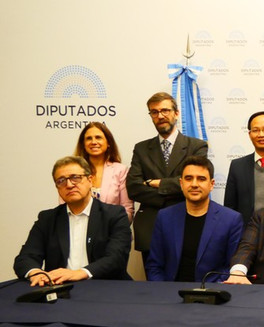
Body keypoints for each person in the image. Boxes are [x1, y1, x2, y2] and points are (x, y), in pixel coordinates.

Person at [14, 156, 131, 286]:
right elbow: (25, 258)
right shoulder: (47, 219)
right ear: (57, 187)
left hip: (105, 287)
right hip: (61, 288)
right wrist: (37, 273)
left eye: (76, 177)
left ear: (90, 180)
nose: (69, 185)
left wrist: (81, 273)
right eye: (61, 180)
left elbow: (116, 259)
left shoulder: (114, 214)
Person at [127, 92, 208, 264]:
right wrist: (175, 189)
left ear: (176, 113)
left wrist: (158, 183)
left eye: (165, 110)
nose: (160, 116)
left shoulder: (197, 146)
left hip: (186, 223)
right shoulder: (141, 149)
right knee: (154, 285)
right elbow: (133, 188)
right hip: (150, 229)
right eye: (154, 112)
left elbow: (196, 184)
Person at [145, 156, 243, 283]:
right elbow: (154, 265)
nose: (194, 184)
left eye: (201, 179)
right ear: (181, 184)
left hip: (212, 295)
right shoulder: (164, 217)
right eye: (188, 179)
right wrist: (163, 293)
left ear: (212, 184)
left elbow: (230, 268)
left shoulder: (231, 220)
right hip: (169, 294)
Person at [64, 122, 134, 220]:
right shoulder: (72, 171)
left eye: (98, 137)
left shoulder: (121, 170)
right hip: (78, 229)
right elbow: (65, 206)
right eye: (89, 138)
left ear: (108, 142)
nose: (93, 142)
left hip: (112, 232)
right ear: (83, 144)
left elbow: (127, 209)